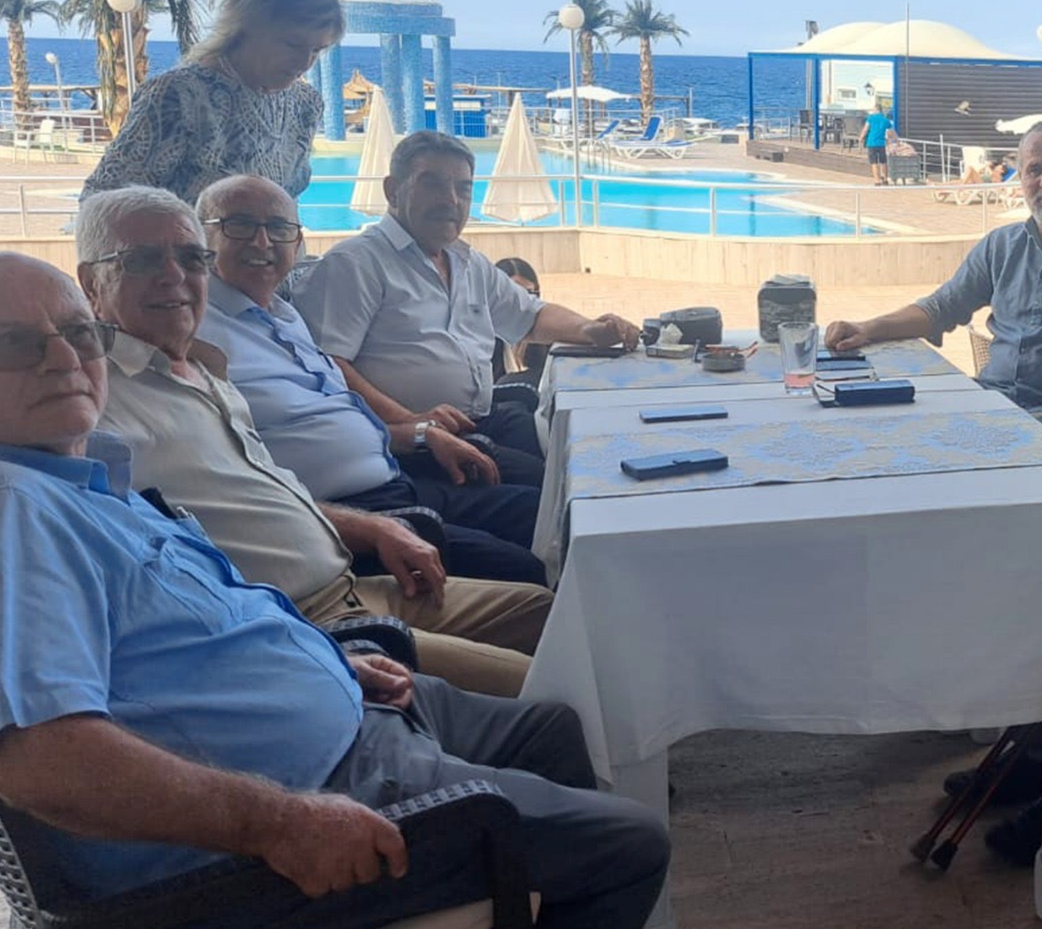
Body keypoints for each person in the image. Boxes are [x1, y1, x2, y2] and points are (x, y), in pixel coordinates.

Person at [0, 253, 668, 929]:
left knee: (551, 727)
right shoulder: (17, 511)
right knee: (629, 845)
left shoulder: (81, 479)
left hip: (349, 704)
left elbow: (178, 635)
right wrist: (279, 823)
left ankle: (536, 877)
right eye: (15, 344)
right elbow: (45, 763)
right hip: (297, 807)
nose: (63, 359)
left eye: (78, 334)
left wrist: (327, 660)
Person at [76, 186, 548, 698]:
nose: (174, 275)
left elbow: (266, 490)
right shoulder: (91, 405)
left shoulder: (208, 366)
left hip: (352, 569)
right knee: (551, 687)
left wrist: (372, 523)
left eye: (191, 259)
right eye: (143, 260)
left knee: (550, 613)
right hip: (298, 620)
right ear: (91, 283)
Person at [195, 176, 546, 587]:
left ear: (297, 241)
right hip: (343, 517)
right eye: (239, 225)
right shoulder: (196, 334)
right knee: (525, 568)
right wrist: (366, 522)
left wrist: (419, 434)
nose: (262, 242)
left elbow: (333, 416)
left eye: (278, 228)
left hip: (399, 474)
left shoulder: (283, 316)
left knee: (545, 511)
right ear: (201, 239)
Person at [294, 132, 640, 469]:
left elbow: (531, 317)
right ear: (392, 191)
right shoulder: (355, 264)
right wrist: (412, 422)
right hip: (411, 446)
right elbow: (327, 366)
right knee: (554, 484)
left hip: (481, 420)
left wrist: (589, 329)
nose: (451, 200)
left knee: (593, 448)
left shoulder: (466, 261)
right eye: (432, 184)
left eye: (463, 188)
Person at [826, 120, 1042, 461]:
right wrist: (867, 328)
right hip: (991, 403)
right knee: (879, 435)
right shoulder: (1001, 246)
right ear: (1021, 177)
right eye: (1035, 170)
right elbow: (942, 307)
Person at [82, 0, 342, 203]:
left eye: (317, 50)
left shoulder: (305, 104)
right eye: (292, 44)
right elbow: (103, 201)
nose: (305, 62)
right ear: (249, 26)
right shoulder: (179, 97)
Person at [494, 256, 550, 382]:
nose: (522, 302)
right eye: (513, 294)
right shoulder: (479, 339)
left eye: (529, 293)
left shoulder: (547, 336)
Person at [863, 103, 892, 185]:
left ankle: (877, 180)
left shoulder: (870, 118)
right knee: (883, 161)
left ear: (875, 110)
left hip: (872, 142)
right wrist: (895, 141)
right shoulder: (885, 120)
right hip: (881, 143)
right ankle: (885, 179)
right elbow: (891, 132)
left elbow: (865, 129)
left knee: (874, 162)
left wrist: (861, 137)